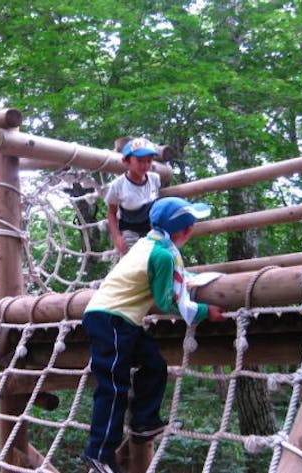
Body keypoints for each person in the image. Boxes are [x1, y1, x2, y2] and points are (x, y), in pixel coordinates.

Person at [81, 196, 225, 473]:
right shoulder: (161, 253)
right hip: (109, 320)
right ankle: (98, 453)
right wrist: (205, 311)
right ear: (186, 230)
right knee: (112, 386)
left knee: (154, 365)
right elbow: (168, 300)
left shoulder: (150, 243)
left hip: (122, 320)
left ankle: (144, 421)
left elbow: (173, 277)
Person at [105, 137, 162, 255]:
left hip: (152, 228)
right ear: (126, 161)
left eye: (149, 161)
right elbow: (111, 213)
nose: (145, 165)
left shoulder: (154, 179)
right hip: (130, 229)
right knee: (132, 259)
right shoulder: (118, 185)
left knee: (157, 257)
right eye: (140, 160)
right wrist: (117, 237)